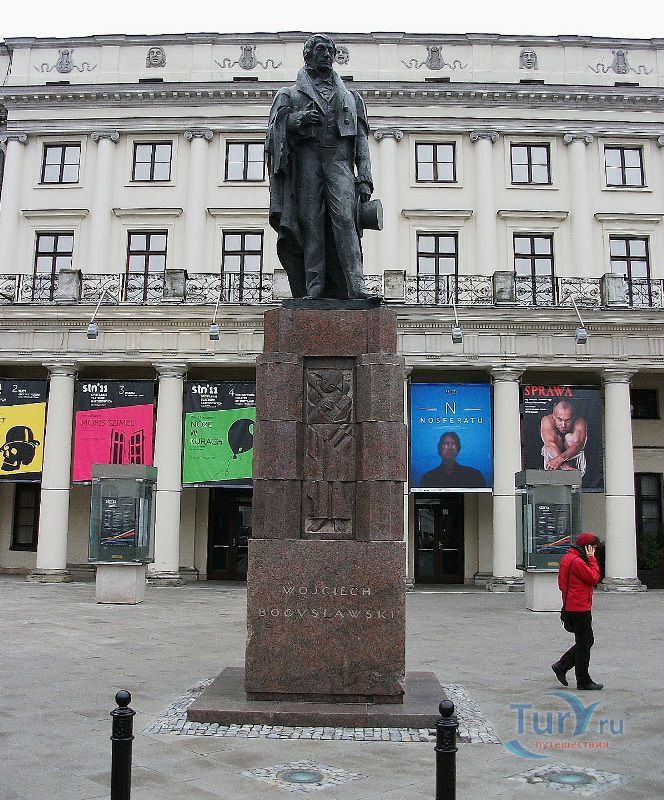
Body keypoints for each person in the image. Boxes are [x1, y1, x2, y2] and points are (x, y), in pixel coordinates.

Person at [265, 33, 377, 301]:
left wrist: (364, 178)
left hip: (339, 161)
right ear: (308, 56)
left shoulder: (352, 98)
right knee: (310, 222)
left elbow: (361, 140)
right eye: (320, 49)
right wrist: (296, 120)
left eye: (330, 50)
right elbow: (272, 132)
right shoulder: (289, 94)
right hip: (308, 159)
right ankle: (313, 286)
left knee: (345, 220)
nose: (326, 54)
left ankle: (356, 285)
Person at [552, 532, 603, 690]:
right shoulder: (577, 561)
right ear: (588, 547)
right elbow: (594, 578)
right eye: (593, 548)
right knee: (584, 644)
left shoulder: (568, 558)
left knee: (586, 641)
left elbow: (561, 583)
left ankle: (562, 666)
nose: (594, 551)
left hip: (572, 605)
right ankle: (582, 679)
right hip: (579, 607)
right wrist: (592, 559)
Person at [419, 431, 486, 489]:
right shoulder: (428, 478)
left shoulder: (474, 476)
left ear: (458, 449)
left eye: (454, 444)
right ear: (440, 449)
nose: (450, 448)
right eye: (446, 444)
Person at [540, 399, 587, 475]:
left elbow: (579, 444)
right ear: (554, 415)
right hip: (554, 463)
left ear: (573, 417)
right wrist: (564, 466)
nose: (563, 425)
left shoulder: (579, 422)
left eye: (568, 421)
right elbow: (550, 443)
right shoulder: (547, 420)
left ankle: (574, 474)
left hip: (573, 464)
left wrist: (560, 459)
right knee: (551, 444)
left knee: (569, 438)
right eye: (560, 420)